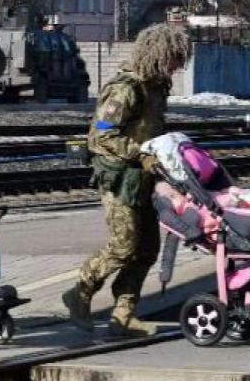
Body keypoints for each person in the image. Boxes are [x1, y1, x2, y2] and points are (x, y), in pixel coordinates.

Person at [62, 23, 190, 337]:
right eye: (173, 57)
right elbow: (100, 136)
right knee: (124, 244)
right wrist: (140, 154)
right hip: (119, 179)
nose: (178, 65)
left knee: (146, 248)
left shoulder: (157, 87)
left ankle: (123, 314)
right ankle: (80, 291)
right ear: (157, 54)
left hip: (146, 179)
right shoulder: (125, 89)